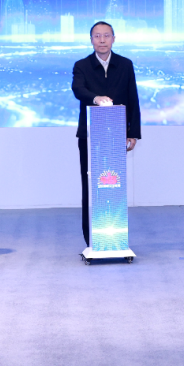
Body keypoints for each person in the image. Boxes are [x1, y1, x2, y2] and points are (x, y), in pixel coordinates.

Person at [71, 21, 141, 247]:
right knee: (91, 184)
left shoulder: (125, 64)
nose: (102, 40)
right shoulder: (82, 65)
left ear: (113, 38)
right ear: (91, 39)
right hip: (90, 136)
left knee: (114, 183)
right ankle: (92, 239)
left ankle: (115, 237)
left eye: (106, 36)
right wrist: (96, 98)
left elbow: (132, 98)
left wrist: (133, 132)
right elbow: (78, 89)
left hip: (117, 133)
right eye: (97, 36)